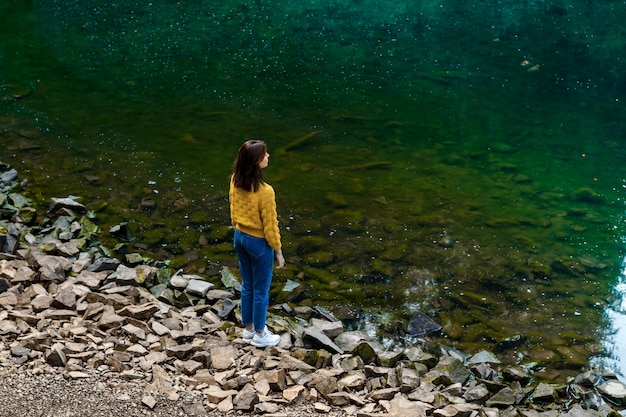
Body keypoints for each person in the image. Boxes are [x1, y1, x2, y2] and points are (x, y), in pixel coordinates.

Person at [229, 140, 285, 348]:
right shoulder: (265, 191)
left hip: (239, 237)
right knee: (261, 289)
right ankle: (261, 334)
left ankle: (249, 329)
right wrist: (278, 251)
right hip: (258, 243)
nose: (268, 156)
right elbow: (270, 226)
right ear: (256, 161)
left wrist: (238, 228)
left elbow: (233, 209)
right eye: (265, 154)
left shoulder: (235, 179)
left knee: (247, 285)